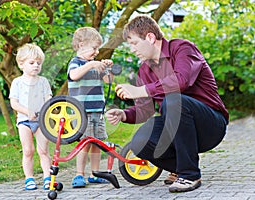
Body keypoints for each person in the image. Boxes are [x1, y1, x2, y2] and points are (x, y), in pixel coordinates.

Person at [105, 15, 228, 193]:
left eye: (134, 43)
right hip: (177, 128)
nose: (132, 50)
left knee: (173, 100)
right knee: (140, 142)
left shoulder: (183, 49)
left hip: (210, 125)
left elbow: (181, 80)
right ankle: (182, 167)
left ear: (150, 37)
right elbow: (144, 110)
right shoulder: (145, 70)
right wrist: (124, 114)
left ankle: (189, 175)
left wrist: (143, 90)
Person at [67, 27, 114, 188]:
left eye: (97, 48)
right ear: (81, 45)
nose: (96, 52)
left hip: (97, 111)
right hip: (81, 113)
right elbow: (73, 75)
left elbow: (108, 81)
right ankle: (79, 174)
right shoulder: (76, 63)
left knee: (97, 143)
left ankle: (95, 173)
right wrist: (91, 64)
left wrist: (107, 68)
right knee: (84, 143)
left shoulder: (95, 65)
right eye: (94, 48)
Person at [9, 43, 52, 191]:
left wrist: (46, 112)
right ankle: (29, 178)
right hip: (24, 121)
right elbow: (14, 103)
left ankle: (48, 178)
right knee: (28, 150)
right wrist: (27, 111)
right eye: (32, 63)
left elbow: (48, 100)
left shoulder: (43, 82)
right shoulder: (17, 83)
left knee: (44, 150)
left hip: (41, 121)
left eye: (38, 63)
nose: (36, 66)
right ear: (21, 64)